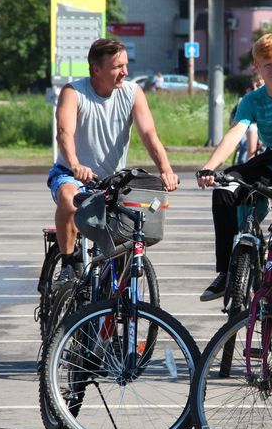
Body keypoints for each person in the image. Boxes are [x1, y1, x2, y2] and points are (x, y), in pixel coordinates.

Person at [196, 33, 272, 301]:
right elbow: (236, 132)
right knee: (225, 189)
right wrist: (209, 167)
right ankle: (227, 271)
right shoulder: (252, 100)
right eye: (267, 64)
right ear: (257, 67)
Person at [47, 39, 179, 273]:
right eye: (118, 66)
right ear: (97, 69)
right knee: (70, 199)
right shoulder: (74, 92)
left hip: (111, 180)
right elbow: (64, 133)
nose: (125, 72)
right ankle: (68, 264)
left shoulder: (132, 93)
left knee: (130, 224)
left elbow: (149, 133)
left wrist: (165, 169)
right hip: (72, 174)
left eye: (126, 65)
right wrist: (76, 164)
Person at [231, 71, 263, 164]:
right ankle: (250, 165)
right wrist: (255, 90)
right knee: (251, 149)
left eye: (262, 80)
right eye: (258, 80)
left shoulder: (268, 91)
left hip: (265, 123)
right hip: (253, 124)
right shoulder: (249, 95)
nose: (260, 82)